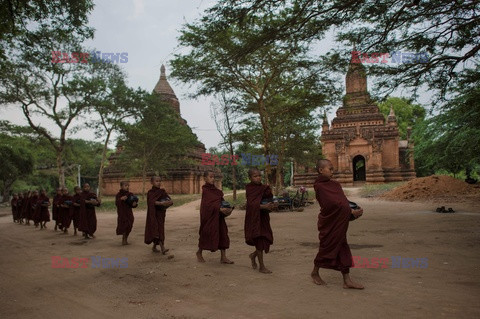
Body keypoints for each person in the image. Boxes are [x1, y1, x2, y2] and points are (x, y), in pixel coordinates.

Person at [310, 159, 364, 289]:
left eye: (333, 169)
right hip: (329, 221)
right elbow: (330, 204)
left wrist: (353, 209)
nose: (333, 171)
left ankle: (347, 280)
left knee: (343, 247)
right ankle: (315, 272)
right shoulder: (319, 186)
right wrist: (349, 211)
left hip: (338, 221)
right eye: (330, 169)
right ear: (321, 170)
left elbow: (342, 201)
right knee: (326, 247)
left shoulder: (335, 185)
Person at [196, 170, 234, 264]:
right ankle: (199, 252)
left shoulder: (217, 191)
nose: (213, 179)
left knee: (223, 233)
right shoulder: (205, 190)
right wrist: (218, 208)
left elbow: (221, 201)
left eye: (213, 177)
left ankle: (223, 257)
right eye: (210, 177)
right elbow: (207, 205)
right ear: (205, 178)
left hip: (218, 216)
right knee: (206, 233)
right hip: (208, 216)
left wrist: (227, 208)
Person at [245, 168, 276, 274]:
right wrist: (263, 206)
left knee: (266, 239)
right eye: (255, 176)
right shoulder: (249, 188)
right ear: (250, 178)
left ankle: (253, 255)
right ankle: (262, 267)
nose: (258, 178)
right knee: (259, 241)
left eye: (259, 176)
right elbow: (251, 204)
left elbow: (269, 199)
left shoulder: (264, 188)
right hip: (254, 218)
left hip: (263, 218)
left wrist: (272, 204)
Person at [145, 176, 173, 254]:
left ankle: (154, 247)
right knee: (156, 230)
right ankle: (162, 248)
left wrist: (169, 202)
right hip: (153, 214)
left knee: (160, 229)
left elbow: (169, 200)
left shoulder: (162, 192)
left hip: (160, 214)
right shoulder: (150, 192)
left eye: (160, 181)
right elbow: (151, 202)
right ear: (152, 182)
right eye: (156, 181)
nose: (159, 183)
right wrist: (161, 203)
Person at [115, 181, 137, 245]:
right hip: (122, 213)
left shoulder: (130, 194)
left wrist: (134, 204)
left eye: (128, 185)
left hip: (129, 212)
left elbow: (133, 203)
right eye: (125, 185)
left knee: (130, 224)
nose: (127, 187)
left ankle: (126, 238)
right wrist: (121, 199)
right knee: (124, 225)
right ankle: (124, 239)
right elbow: (116, 203)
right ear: (121, 187)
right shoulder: (118, 195)